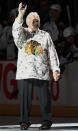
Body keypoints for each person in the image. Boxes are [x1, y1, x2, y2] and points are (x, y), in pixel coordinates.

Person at [12, 2, 60, 130]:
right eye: (33, 20)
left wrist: (55, 69)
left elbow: (52, 53)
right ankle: (24, 121)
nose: (35, 22)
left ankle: (46, 121)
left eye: (37, 20)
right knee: (24, 100)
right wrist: (20, 15)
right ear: (27, 22)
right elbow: (16, 30)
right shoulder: (23, 34)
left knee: (45, 99)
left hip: (41, 72)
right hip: (25, 72)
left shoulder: (45, 35)